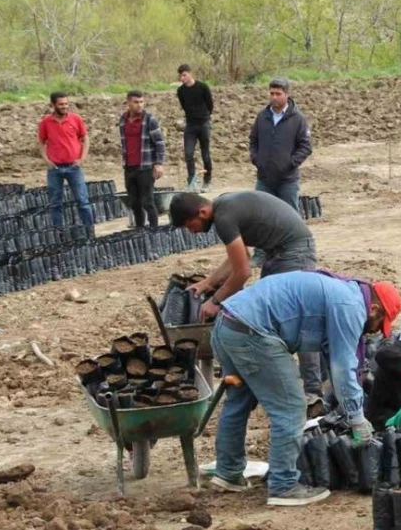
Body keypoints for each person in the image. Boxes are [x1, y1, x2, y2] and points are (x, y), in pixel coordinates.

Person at [209, 270, 401, 504]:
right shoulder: (351, 306)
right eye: (379, 325)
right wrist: (357, 417)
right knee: (290, 407)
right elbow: (342, 368)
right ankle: (283, 485)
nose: (374, 332)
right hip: (253, 333)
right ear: (374, 309)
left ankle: (228, 473)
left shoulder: (343, 292)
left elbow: (334, 359)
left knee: (239, 400)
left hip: (228, 324)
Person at [170, 191, 324, 404]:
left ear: (203, 212)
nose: (193, 232)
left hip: (294, 253)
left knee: (296, 319)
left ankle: (313, 391)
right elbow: (242, 258)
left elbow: (242, 272)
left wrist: (215, 302)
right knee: (270, 319)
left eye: (190, 225)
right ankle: (280, 383)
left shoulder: (224, 218)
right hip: (276, 253)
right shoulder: (223, 206)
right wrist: (207, 283)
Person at [249, 78, 312, 214]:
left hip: (287, 180)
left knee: (290, 216)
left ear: (286, 94)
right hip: (264, 179)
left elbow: (306, 147)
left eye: (278, 94)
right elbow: (253, 140)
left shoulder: (298, 119)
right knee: (261, 215)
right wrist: (256, 159)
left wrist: (290, 163)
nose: (274, 97)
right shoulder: (262, 117)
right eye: (272, 93)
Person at [38, 92, 94, 229]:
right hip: (55, 169)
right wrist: (46, 160)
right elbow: (41, 142)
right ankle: (59, 232)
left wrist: (82, 159)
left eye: (66, 104)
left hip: (74, 167)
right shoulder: (46, 122)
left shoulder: (76, 119)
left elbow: (85, 138)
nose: (64, 107)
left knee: (83, 201)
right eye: (61, 104)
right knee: (55, 203)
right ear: (53, 105)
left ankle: (89, 230)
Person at [118, 90, 166, 228]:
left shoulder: (150, 119)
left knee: (147, 201)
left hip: (145, 166)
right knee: (134, 202)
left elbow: (159, 143)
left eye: (141, 102)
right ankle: (140, 230)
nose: (139, 105)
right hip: (129, 166)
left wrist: (158, 163)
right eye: (136, 102)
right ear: (128, 103)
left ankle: (154, 230)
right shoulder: (123, 119)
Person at [176, 64, 214, 192]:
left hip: (204, 124)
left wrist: (205, 117)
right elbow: (184, 106)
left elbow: (210, 104)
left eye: (184, 75)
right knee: (188, 153)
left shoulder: (202, 87)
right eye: (180, 76)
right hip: (190, 125)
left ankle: (207, 181)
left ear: (190, 74)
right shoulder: (180, 91)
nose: (182, 78)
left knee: (206, 154)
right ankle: (192, 182)